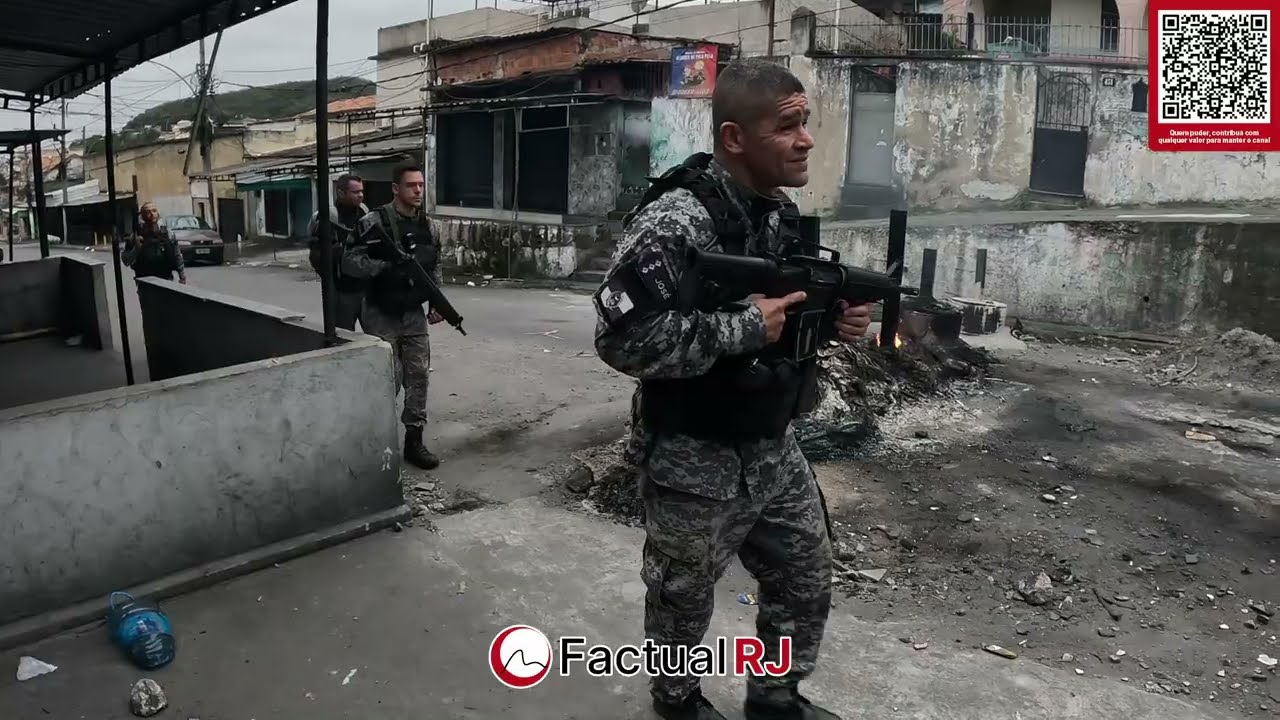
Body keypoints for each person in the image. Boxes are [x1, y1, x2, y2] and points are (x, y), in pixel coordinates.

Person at [592, 60, 873, 720]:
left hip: (772, 441)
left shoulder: (776, 212)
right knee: (682, 596)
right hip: (694, 453)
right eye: (788, 126)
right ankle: (676, 702)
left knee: (804, 575)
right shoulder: (675, 221)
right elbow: (619, 340)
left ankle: (775, 698)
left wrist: (829, 320)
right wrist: (742, 328)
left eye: (806, 123)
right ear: (734, 137)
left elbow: (781, 311)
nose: (806, 139)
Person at [343, 161, 444, 471]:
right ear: (395, 189)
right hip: (379, 312)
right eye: (411, 185)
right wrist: (386, 268)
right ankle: (378, 443)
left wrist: (436, 302)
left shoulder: (429, 226)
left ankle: (414, 441)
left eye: (421, 185)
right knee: (388, 379)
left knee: (419, 376)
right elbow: (349, 262)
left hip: (412, 313)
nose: (418, 190)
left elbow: (434, 266)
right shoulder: (372, 222)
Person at [308, 174, 370, 331]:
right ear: (341, 193)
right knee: (344, 337)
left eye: (361, 191)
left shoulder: (364, 213)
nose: (360, 195)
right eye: (355, 192)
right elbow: (317, 256)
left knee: (376, 336)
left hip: (366, 289)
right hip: (342, 291)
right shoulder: (328, 217)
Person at [123, 202, 186, 284]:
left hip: (166, 279)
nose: (152, 214)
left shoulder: (167, 233)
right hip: (144, 281)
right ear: (142, 216)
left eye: (154, 211)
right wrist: (136, 249)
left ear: (158, 214)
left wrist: (182, 276)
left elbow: (177, 255)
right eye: (148, 212)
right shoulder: (136, 236)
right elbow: (126, 261)